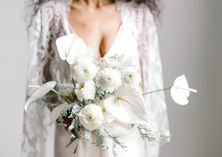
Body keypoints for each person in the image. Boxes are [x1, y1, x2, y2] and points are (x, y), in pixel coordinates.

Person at [22, 0, 171, 157]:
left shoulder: (138, 14)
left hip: (127, 144)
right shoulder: (52, 15)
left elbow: (148, 83)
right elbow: (40, 85)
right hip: (75, 143)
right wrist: (72, 111)